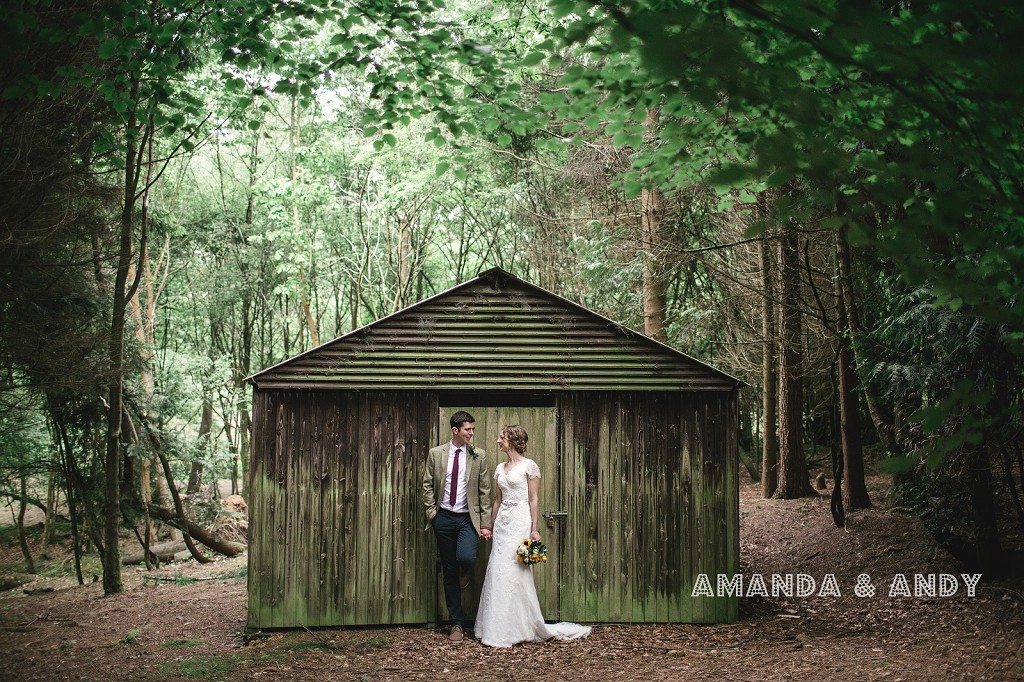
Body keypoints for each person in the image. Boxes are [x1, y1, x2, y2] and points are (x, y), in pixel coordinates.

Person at [475, 424, 591, 647]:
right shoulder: (499, 467)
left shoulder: (530, 466)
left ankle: (519, 628)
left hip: (520, 520)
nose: (498, 441)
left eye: (502, 437)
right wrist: (490, 525)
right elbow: (497, 500)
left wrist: (534, 528)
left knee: (514, 571)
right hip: (502, 524)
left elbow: (533, 499)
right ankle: (496, 627)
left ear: (513, 440)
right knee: (497, 570)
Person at [422, 410, 493, 642]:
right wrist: (433, 514)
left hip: (466, 519)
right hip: (443, 518)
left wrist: (485, 524)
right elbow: (427, 485)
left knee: (466, 559)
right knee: (449, 571)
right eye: (467, 430)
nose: (471, 433)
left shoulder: (478, 455)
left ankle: (466, 571)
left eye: (473, 429)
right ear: (455, 431)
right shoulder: (436, 454)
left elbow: (485, 491)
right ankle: (457, 623)